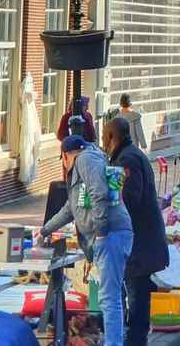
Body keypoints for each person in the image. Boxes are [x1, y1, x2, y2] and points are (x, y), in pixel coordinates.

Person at [39, 136, 133, 345]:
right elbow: (69, 209)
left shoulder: (84, 160)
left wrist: (100, 231)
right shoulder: (86, 165)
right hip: (111, 235)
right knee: (111, 295)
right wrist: (45, 230)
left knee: (108, 297)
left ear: (65, 156)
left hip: (110, 235)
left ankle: (114, 343)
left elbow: (98, 194)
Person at [102, 118, 168, 346]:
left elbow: (130, 197)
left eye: (104, 136)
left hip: (139, 240)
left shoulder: (126, 159)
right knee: (137, 288)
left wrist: (108, 210)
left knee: (136, 290)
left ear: (111, 136)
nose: (102, 141)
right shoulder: (132, 153)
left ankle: (135, 340)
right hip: (144, 239)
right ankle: (135, 336)